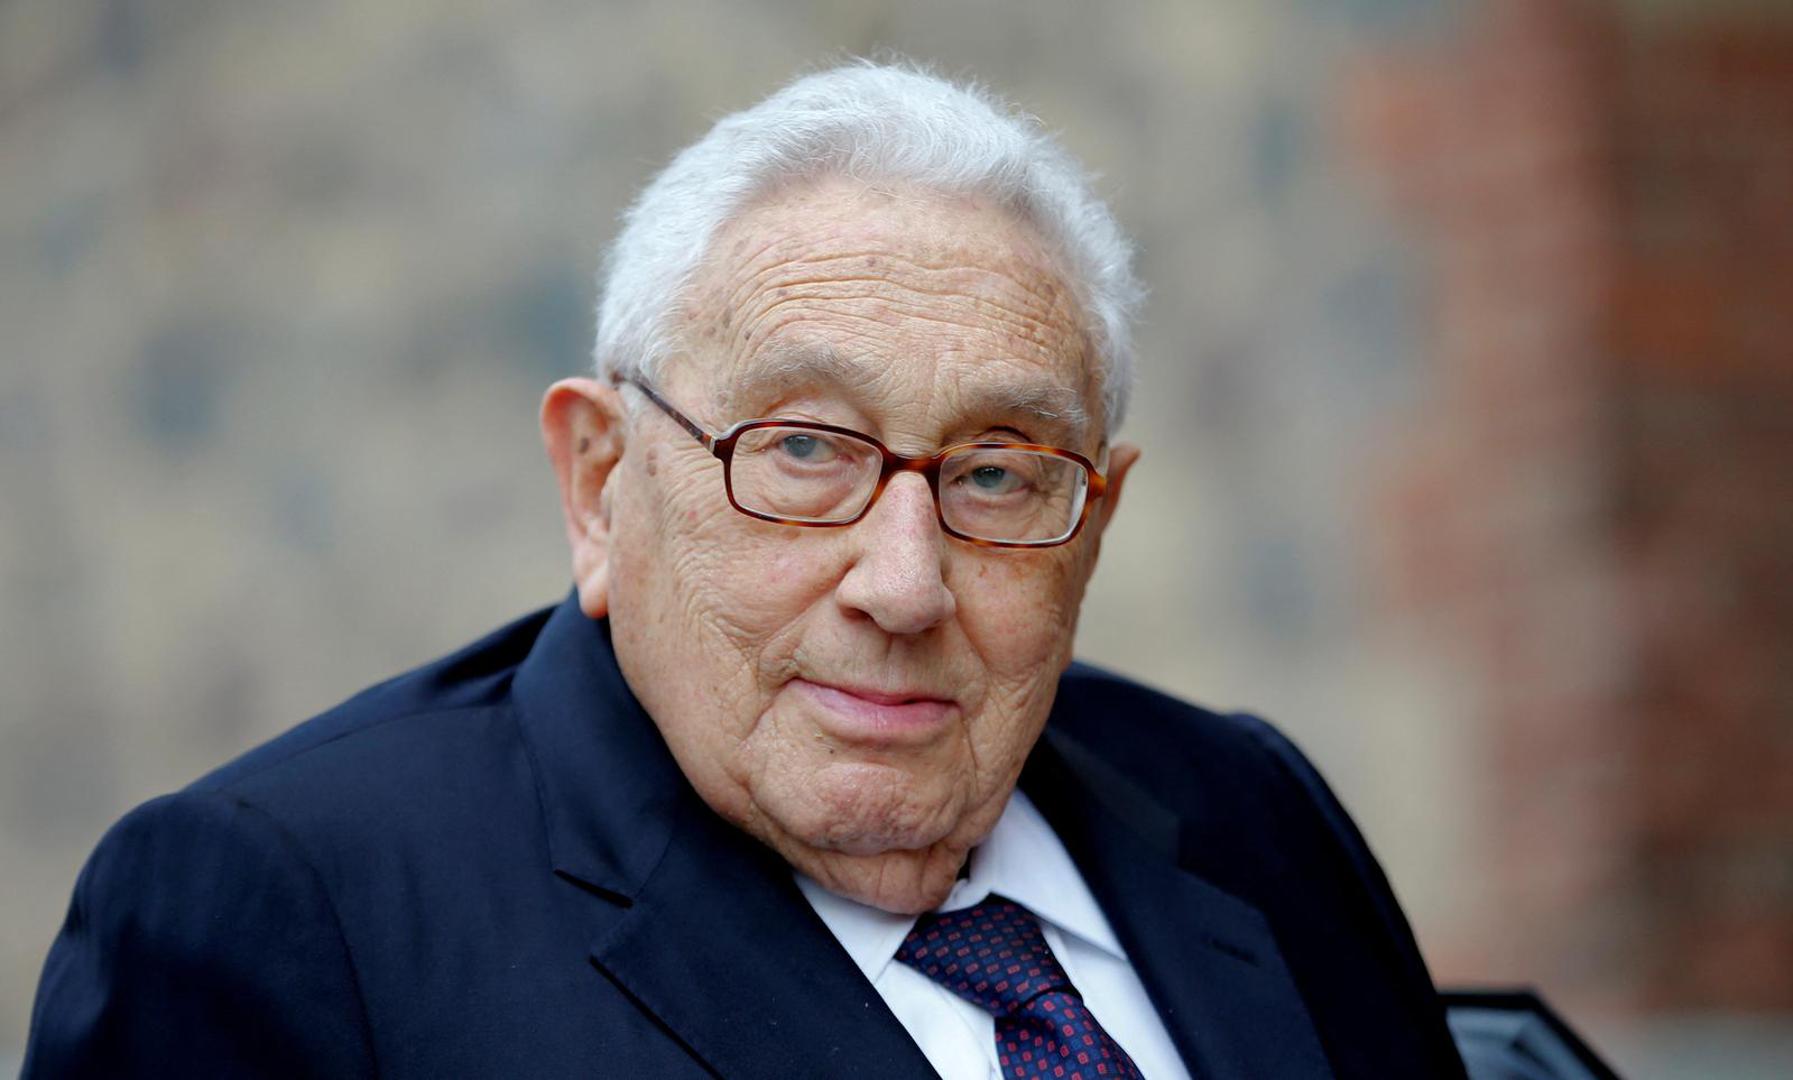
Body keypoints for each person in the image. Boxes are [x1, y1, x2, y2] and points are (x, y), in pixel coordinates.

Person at [24, 62, 1467, 1078]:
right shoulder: (284, 914)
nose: (901, 586)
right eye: (801, 452)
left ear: (1092, 516)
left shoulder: (1245, 814)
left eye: (992, 473)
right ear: (599, 484)